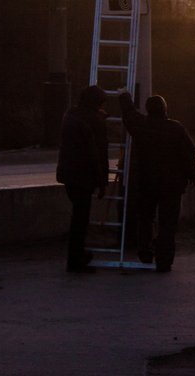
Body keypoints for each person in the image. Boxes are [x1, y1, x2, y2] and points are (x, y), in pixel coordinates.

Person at [119, 91, 195, 273]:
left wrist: (124, 97)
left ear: (148, 110)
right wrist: (194, 174)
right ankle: (164, 260)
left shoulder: (142, 126)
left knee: (145, 218)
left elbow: (129, 114)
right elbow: (189, 153)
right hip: (172, 184)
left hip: (147, 181)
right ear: (165, 109)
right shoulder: (176, 128)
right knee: (168, 223)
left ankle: (145, 251)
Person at [56, 85, 109, 274]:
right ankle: (75, 259)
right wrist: (102, 182)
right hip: (84, 176)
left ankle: (77, 255)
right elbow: (98, 154)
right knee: (80, 219)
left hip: (68, 174)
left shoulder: (70, 115)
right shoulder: (95, 122)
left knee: (78, 216)